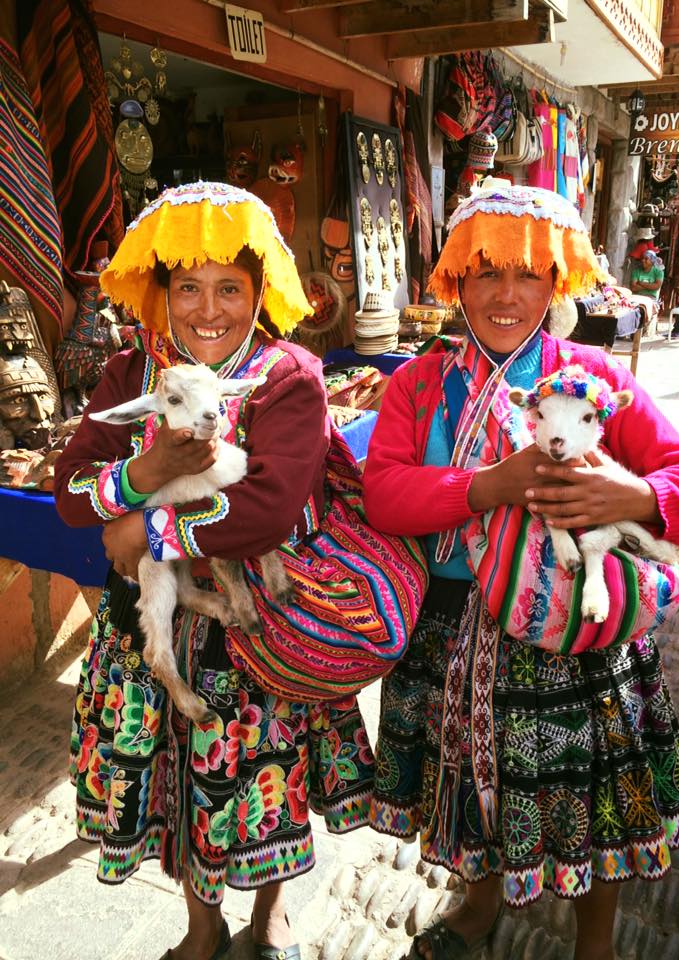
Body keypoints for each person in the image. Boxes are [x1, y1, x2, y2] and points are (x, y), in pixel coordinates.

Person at [362, 179, 679, 960]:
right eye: (486, 271)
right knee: (470, 794)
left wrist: (634, 490)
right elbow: (383, 492)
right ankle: (478, 904)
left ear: (556, 283)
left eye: (528, 274)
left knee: (591, 806)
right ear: (456, 280)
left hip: (573, 633)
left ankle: (595, 943)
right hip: (450, 628)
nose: (506, 293)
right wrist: (484, 487)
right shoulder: (419, 385)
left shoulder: (595, 381)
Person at [54, 182, 374, 960]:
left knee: (267, 775)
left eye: (229, 288)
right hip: (159, 632)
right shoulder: (132, 375)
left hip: (262, 627)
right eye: (187, 287)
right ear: (160, 295)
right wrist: (141, 472)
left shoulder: (286, 375)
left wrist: (142, 523)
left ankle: (270, 913)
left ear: (259, 290)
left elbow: (266, 508)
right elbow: (69, 491)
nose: (208, 309)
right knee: (176, 776)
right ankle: (201, 926)